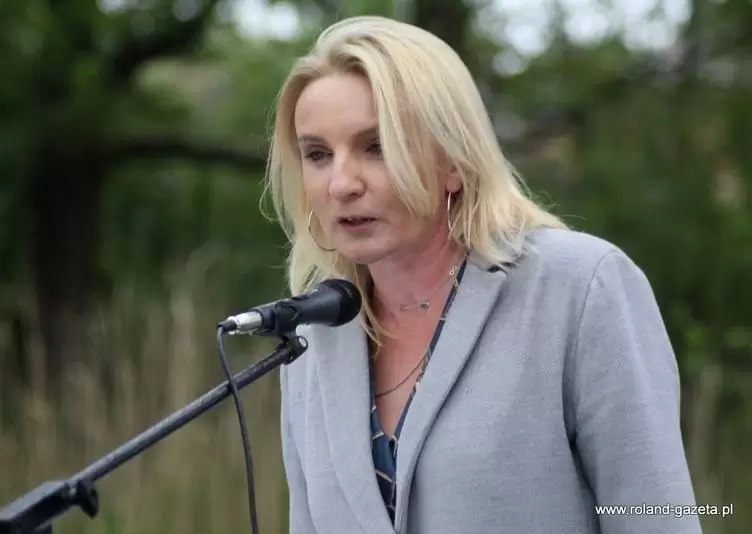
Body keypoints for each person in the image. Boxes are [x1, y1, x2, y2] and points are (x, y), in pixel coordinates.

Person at [264, 15, 702, 534]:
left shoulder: (581, 288)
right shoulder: (313, 336)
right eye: (317, 154)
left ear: (453, 161)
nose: (341, 184)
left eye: (376, 146)